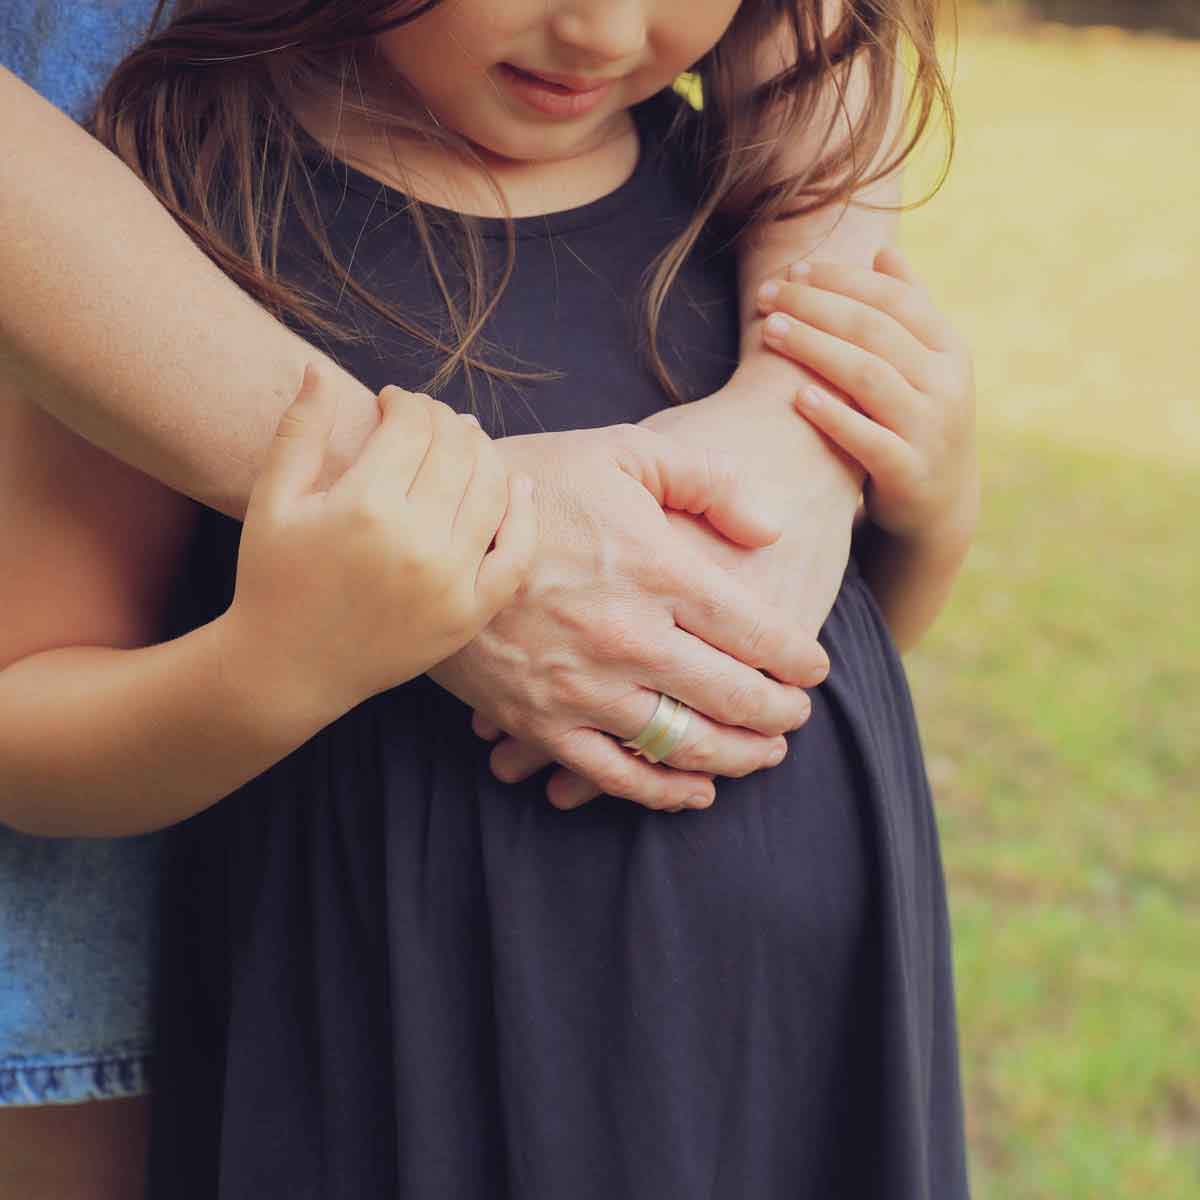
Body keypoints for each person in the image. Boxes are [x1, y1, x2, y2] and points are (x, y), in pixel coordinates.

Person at [0, 1, 977, 1196]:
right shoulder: (168, 221)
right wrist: (274, 669)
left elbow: (827, 655)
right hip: (400, 1095)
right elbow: (25, 731)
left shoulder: (753, 197)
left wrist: (931, 512)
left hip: (800, 1070)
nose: (604, 29)